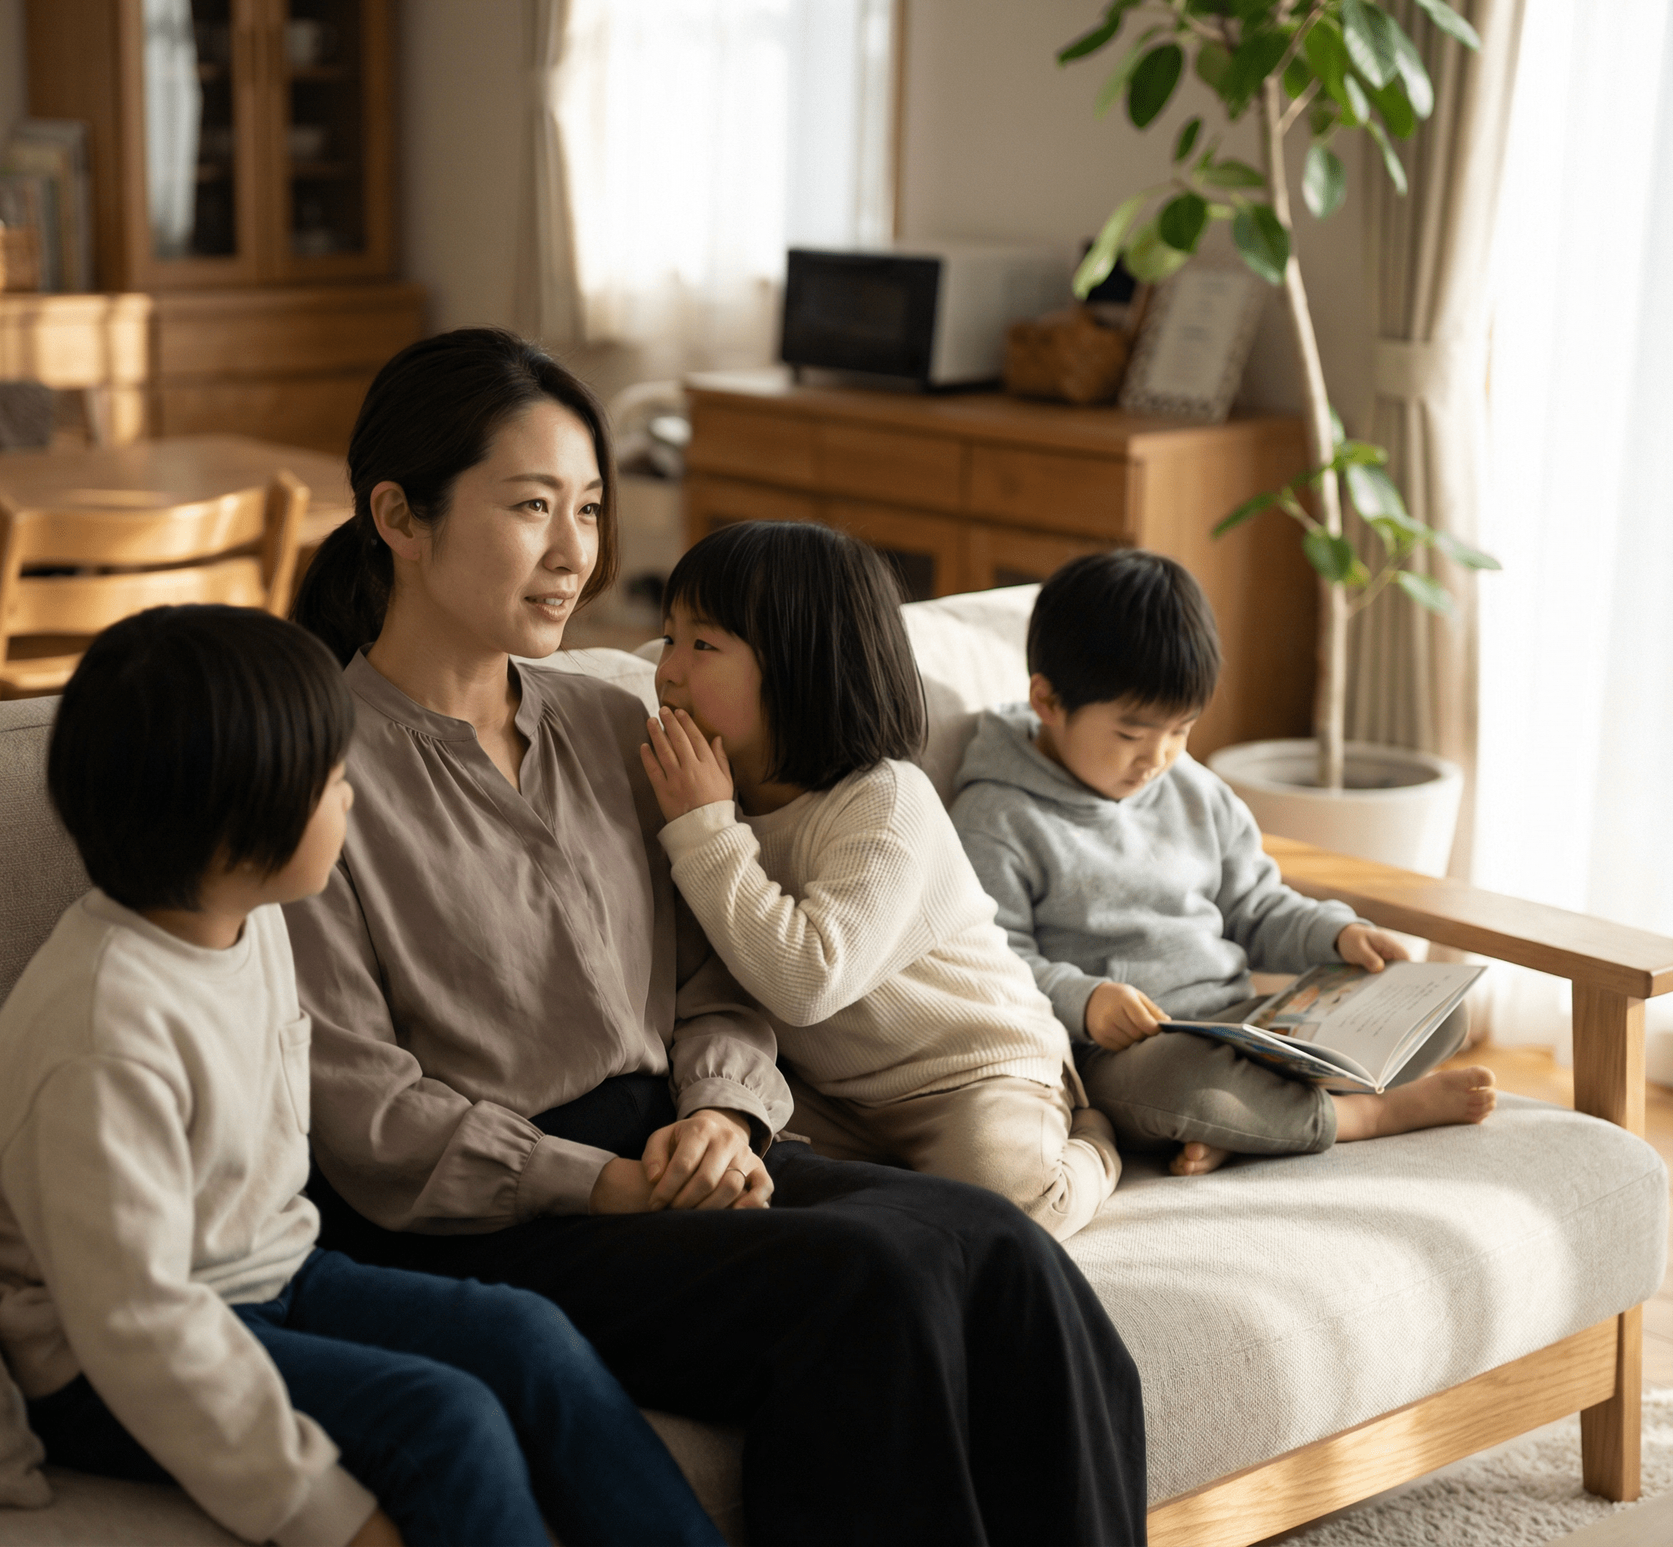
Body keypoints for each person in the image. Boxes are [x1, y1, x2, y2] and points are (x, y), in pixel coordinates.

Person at [285, 328, 1148, 1547]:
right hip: (500, 1217)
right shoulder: (310, 767)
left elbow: (710, 972)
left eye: (589, 507)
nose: (576, 552)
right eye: (532, 506)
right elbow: (362, 1106)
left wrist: (726, 1110)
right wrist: (607, 1181)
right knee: (871, 1285)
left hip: (684, 1149)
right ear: (399, 515)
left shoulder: (613, 718)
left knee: (1005, 1251)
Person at [0, 605, 724, 1547]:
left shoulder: (247, 916)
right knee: (444, 1418)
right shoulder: (105, 1036)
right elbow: (141, 1328)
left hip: (266, 1273)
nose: (353, 800)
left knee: (530, 1338)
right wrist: (327, 1514)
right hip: (97, 1360)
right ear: (237, 828)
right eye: (334, 781)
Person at [636, 520, 1119, 1240]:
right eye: (667, 637)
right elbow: (714, 981)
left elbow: (807, 980)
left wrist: (705, 830)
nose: (667, 670)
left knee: (1002, 1207)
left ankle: (1096, 1139)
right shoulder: (704, 801)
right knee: (747, 1170)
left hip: (973, 1070)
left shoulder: (886, 800)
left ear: (807, 669)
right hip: (836, 1093)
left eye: (702, 645)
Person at [949, 550, 1497, 1178]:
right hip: (1126, 1055)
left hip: (1250, 1025)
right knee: (1187, 1087)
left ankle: (1249, 1127)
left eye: (1180, 730)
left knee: (1439, 1010)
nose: (1156, 757)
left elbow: (1256, 906)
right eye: (1131, 734)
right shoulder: (997, 816)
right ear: (1047, 701)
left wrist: (1336, 935)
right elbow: (990, 961)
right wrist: (1086, 999)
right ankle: (1363, 1117)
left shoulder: (1193, 789)